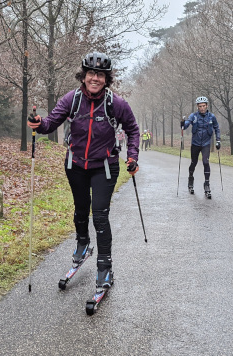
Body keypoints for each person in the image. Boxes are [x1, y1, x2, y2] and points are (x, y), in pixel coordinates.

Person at [27, 52, 140, 290]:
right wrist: (39, 123)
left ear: (106, 79)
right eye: (91, 73)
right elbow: (51, 123)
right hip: (76, 165)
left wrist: (132, 156)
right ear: (84, 76)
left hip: (105, 167)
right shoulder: (72, 99)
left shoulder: (115, 103)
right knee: (80, 211)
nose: (95, 78)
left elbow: (133, 130)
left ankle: (104, 267)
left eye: (100, 75)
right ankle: (82, 243)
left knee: (99, 215)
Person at [181, 96, 220, 195]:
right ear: (197, 107)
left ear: (207, 106)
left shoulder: (211, 116)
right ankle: (190, 179)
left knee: (206, 162)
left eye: (203, 106)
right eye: (200, 106)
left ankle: (207, 184)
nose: (202, 108)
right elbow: (186, 125)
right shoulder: (193, 116)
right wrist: (183, 123)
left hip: (206, 143)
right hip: (195, 143)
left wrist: (218, 140)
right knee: (193, 163)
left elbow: (217, 128)